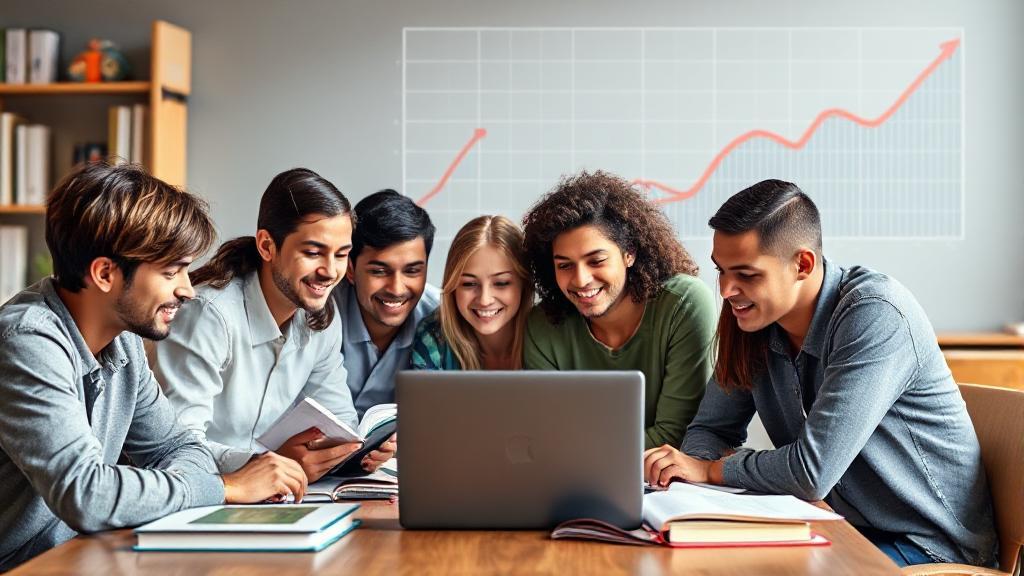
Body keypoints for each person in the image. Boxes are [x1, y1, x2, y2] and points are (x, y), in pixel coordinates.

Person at [642, 179, 998, 568]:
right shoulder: (753, 321)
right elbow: (709, 430)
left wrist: (713, 469)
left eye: (746, 274)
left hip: (927, 546)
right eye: (721, 271)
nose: (726, 290)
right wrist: (694, 476)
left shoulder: (875, 313)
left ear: (803, 264)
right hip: (835, 526)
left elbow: (811, 472)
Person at [0, 162, 305, 571]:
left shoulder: (121, 340)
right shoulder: (27, 341)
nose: (187, 289)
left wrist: (207, 484)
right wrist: (225, 487)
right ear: (105, 273)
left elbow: (180, 448)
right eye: (170, 271)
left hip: (82, 558)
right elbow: (88, 494)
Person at [154, 168, 394, 483]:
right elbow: (176, 449)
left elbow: (339, 422)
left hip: (270, 497)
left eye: (341, 255)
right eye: (312, 253)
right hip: (199, 495)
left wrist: (356, 452)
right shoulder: (210, 314)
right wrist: (268, 464)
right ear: (267, 246)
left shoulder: (320, 316)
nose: (330, 271)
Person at [522, 171, 716, 449]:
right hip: (575, 480)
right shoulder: (543, 326)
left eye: (596, 260)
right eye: (564, 265)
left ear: (629, 253)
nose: (580, 279)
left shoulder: (683, 305)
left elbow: (676, 436)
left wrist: (580, 455)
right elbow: (551, 436)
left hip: (669, 485)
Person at [332, 190, 440, 416]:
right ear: (350, 269)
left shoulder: (442, 319)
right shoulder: (320, 313)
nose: (396, 288)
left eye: (412, 271)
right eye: (379, 271)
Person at [411, 215, 533, 370]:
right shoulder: (433, 338)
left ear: (524, 284)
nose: (484, 300)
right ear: (453, 287)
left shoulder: (549, 337)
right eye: (469, 284)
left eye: (501, 283)